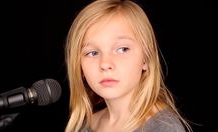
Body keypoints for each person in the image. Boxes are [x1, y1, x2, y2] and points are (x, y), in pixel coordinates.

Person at [64, 0, 192, 132]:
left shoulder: (163, 128)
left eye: (122, 49)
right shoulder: (85, 125)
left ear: (146, 59)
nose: (105, 64)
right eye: (93, 53)